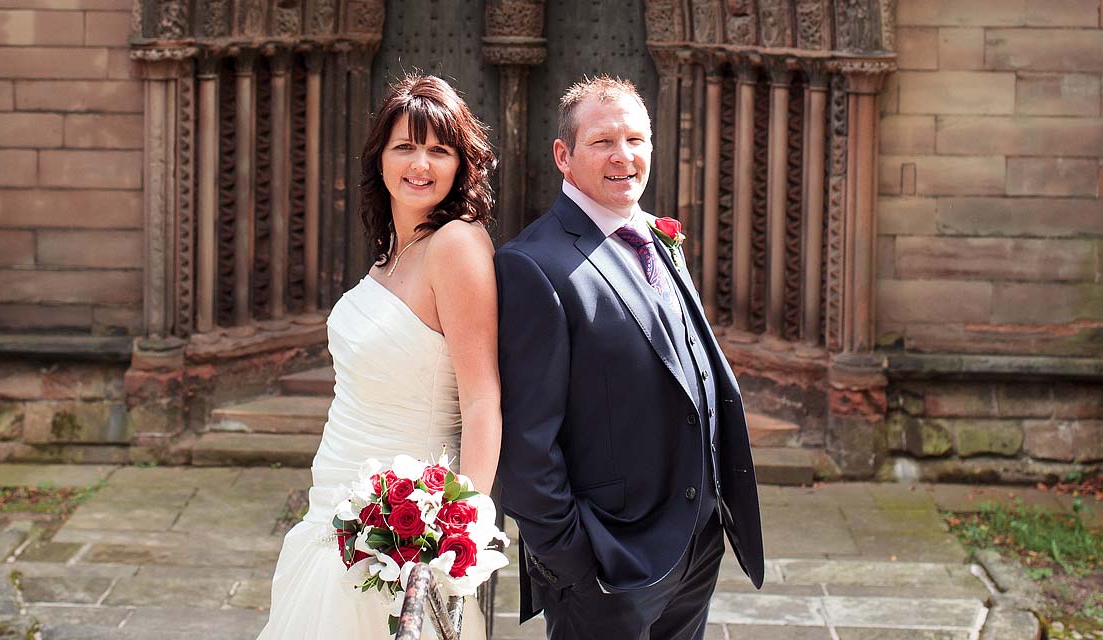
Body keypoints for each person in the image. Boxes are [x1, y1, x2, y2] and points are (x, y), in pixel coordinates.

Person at [495, 76, 764, 640]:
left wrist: (708, 524)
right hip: (610, 567)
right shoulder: (532, 265)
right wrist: (573, 564)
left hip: (695, 544)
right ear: (563, 156)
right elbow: (525, 443)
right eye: (603, 142)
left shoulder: (654, 236)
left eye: (636, 140)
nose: (625, 156)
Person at [258, 74, 500, 639]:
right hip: (336, 493)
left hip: (405, 523)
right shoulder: (396, 251)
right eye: (405, 146)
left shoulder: (456, 245)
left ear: (461, 164)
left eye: (439, 150)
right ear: (380, 159)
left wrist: (464, 528)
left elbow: (484, 397)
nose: (421, 164)